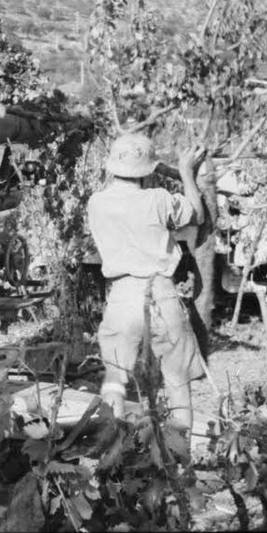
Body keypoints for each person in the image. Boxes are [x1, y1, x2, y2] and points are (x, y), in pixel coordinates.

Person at [86, 133, 207, 440]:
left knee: (115, 379)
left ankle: (113, 452)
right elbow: (197, 214)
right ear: (149, 169)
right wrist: (185, 174)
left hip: (122, 298)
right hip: (161, 293)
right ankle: (182, 458)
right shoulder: (158, 199)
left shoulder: (97, 203)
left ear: (112, 166)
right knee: (177, 380)